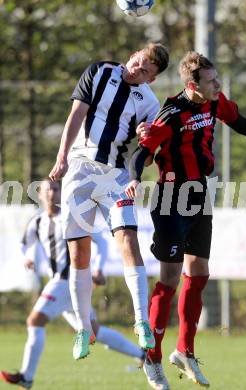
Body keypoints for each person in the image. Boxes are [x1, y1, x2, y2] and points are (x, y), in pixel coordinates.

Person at [125, 51, 246, 390]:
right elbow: (143, 152)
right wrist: (135, 177)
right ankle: (151, 357)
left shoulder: (214, 103)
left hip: (198, 196)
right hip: (170, 199)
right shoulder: (171, 115)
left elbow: (242, 124)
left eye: (217, 79)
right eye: (211, 81)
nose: (218, 85)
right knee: (169, 279)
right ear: (193, 85)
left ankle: (185, 351)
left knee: (199, 273)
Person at [48, 43, 169, 360]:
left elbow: (147, 148)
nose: (137, 69)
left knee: (128, 238)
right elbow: (76, 114)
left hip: (115, 176)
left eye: (145, 71)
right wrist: (61, 159)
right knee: (79, 251)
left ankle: (141, 320)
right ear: (133, 54)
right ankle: (83, 329)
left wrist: (142, 144)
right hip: (80, 169)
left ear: (151, 80)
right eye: (138, 61)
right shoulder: (99, 71)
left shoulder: (149, 101)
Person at [0, 179, 146, 389]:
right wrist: (27, 258)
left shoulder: (71, 217)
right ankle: (143, 355)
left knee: (34, 321)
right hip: (62, 285)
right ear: (40, 194)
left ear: (61, 193)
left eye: (56, 189)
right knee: (95, 332)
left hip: (66, 281)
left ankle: (27, 376)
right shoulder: (37, 222)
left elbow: (102, 243)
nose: (52, 193)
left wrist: (98, 268)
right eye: (47, 190)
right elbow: (25, 245)